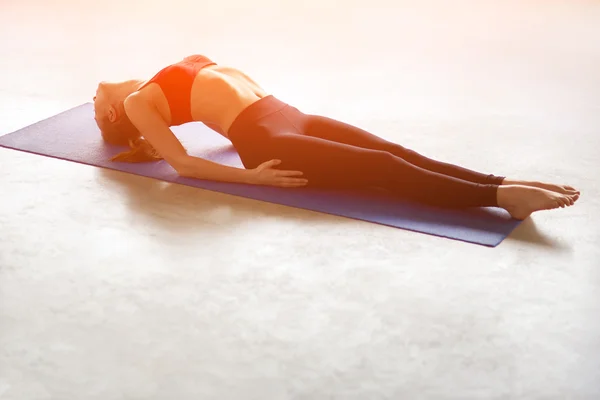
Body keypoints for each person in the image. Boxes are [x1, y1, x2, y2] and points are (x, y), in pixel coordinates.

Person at [93, 54, 579, 220]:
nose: (92, 98)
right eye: (97, 111)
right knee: (384, 170)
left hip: (290, 116)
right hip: (268, 141)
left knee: (394, 150)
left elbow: (211, 117)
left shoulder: (157, 79)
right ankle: (500, 197)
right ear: (115, 112)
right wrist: (255, 179)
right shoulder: (138, 103)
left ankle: (503, 180)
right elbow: (184, 166)